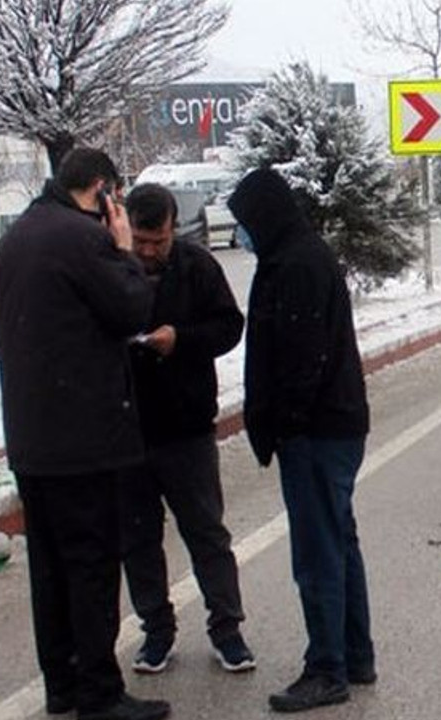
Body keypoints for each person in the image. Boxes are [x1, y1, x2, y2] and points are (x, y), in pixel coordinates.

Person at [0, 149, 169, 720]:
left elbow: (0, 339)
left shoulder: (11, 243)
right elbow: (134, 307)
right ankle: (99, 692)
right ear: (99, 191)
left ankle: (61, 684)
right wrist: (121, 252)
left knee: (50, 566)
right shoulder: (83, 239)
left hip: (31, 437)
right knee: (91, 565)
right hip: (84, 438)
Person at [228, 168, 376, 713]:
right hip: (332, 424)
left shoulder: (295, 264)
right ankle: (355, 656)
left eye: (244, 223)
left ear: (264, 215)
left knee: (318, 553)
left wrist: (282, 424)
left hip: (316, 431)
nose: (241, 233)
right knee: (339, 543)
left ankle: (326, 670)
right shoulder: (297, 255)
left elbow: (300, 359)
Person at [120, 184, 253, 675]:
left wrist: (182, 340)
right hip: (128, 432)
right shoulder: (112, 270)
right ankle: (156, 631)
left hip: (187, 427)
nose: (149, 251)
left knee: (206, 532)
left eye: (158, 241)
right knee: (137, 540)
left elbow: (229, 327)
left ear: (174, 229)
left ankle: (227, 628)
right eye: (141, 241)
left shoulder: (199, 268)